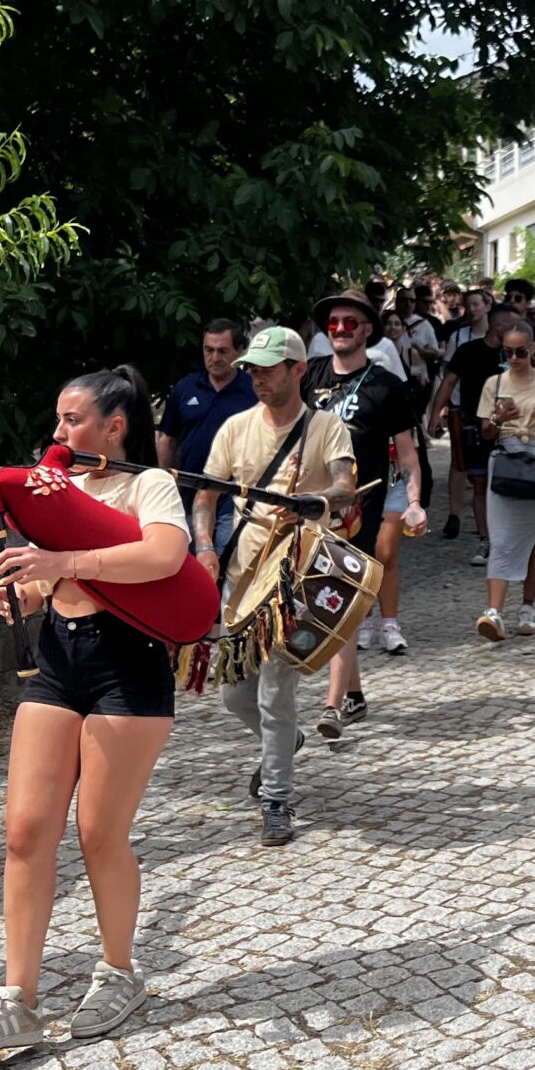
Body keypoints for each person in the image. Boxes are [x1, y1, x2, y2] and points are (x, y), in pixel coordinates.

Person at [0, 366, 190, 1052]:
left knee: (98, 834)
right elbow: (52, 581)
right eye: (57, 419)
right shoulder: (59, 489)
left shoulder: (149, 485)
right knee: (25, 831)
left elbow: (165, 556)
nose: (58, 434)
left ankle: (119, 971)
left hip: (129, 664)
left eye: (73, 420)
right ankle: (16, 996)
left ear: (115, 426)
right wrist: (24, 593)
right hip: (59, 657)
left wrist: (65, 563)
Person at [191, 327, 357, 847]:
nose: (257, 377)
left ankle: (277, 800)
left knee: (274, 692)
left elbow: (346, 486)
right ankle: (286, 743)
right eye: (253, 369)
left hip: (298, 576)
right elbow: (205, 496)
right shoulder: (235, 429)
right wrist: (204, 546)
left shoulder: (327, 427)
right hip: (242, 576)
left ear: (298, 370)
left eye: (267, 368)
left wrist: (315, 501)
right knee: (232, 694)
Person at [303, 292, 428, 721]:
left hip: (360, 509)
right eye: (333, 322)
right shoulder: (309, 375)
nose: (340, 329)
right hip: (309, 505)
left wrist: (413, 502)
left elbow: (409, 455)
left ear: (367, 330)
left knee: (340, 596)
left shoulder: (386, 386)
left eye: (350, 323)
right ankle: (353, 694)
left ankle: (331, 705)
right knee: (317, 595)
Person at [475, 322, 535, 640]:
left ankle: (527, 608)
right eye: (508, 352)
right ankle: (494, 612)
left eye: (521, 351)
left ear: (532, 348)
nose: (514, 358)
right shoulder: (493, 383)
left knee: (534, 536)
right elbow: (485, 431)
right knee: (500, 537)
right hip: (504, 456)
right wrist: (500, 418)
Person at [157, 319, 255, 558]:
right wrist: (164, 480)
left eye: (223, 351)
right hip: (190, 489)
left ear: (240, 351)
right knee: (187, 560)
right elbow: (167, 438)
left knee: (223, 558)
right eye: (208, 350)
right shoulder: (186, 387)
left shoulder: (253, 391)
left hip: (234, 493)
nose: (214, 357)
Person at [431, 295, 506, 560]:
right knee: (479, 482)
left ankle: (507, 539)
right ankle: (486, 540)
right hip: (475, 425)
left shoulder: (516, 353)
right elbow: (449, 382)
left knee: (508, 483)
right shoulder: (468, 351)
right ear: (498, 326)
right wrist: (435, 413)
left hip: (512, 429)